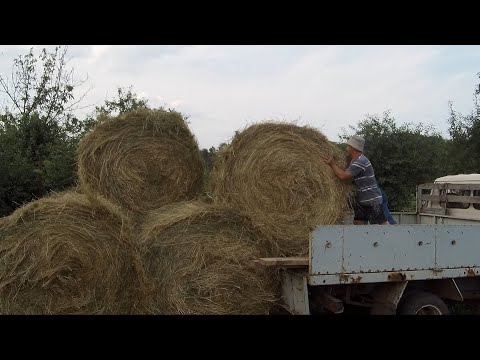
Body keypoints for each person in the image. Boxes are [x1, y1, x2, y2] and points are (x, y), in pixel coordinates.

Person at [323, 135, 389, 225]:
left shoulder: (360, 161)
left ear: (352, 148)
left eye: (348, 146)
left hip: (372, 200)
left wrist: (332, 164)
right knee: (358, 222)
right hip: (362, 200)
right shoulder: (354, 161)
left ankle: (390, 238)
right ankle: (362, 239)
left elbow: (343, 176)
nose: (346, 148)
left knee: (381, 224)